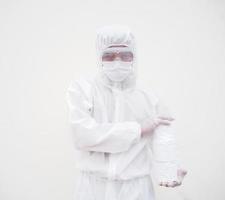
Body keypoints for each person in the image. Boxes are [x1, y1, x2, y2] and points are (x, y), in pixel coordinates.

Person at [66, 25, 187, 200]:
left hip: (136, 188)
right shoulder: (82, 89)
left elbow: (163, 138)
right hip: (93, 187)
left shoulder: (149, 96)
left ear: (134, 57)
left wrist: (170, 169)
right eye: (109, 55)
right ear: (99, 57)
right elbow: (82, 136)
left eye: (124, 55)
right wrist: (137, 130)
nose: (117, 61)